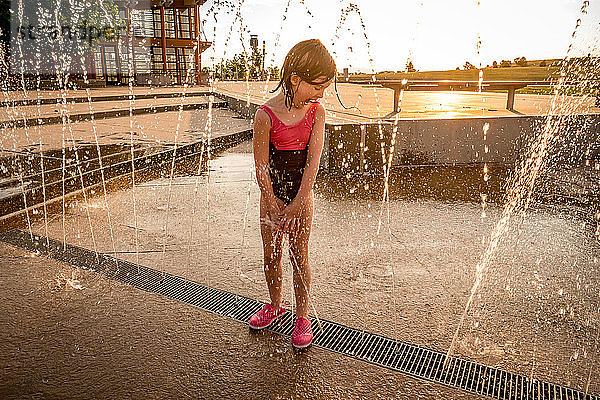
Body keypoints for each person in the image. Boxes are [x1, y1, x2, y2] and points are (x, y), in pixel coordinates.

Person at [248, 39, 336, 349]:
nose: (320, 94)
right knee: (271, 255)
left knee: (299, 256)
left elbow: (313, 162)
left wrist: (298, 203)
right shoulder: (265, 115)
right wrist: (271, 202)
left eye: (324, 88)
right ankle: (274, 304)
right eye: (316, 86)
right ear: (295, 79)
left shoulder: (317, 112)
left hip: (303, 196)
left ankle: (302, 316)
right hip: (271, 195)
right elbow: (260, 165)